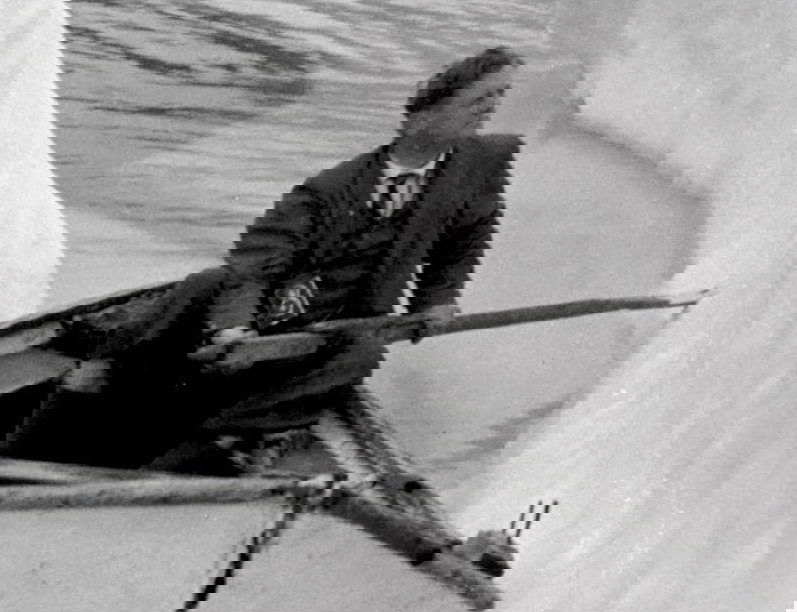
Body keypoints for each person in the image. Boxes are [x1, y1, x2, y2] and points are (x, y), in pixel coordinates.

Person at [48, 45, 525, 463]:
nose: (488, 112)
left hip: (344, 317)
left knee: (360, 353)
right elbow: (256, 262)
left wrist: (435, 302)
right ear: (426, 113)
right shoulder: (330, 188)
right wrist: (234, 327)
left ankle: (230, 433)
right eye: (478, 101)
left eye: (497, 101)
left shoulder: (474, 172)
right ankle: (109, 369)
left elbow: (463, 243)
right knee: (206, 288)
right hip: (278, 298)